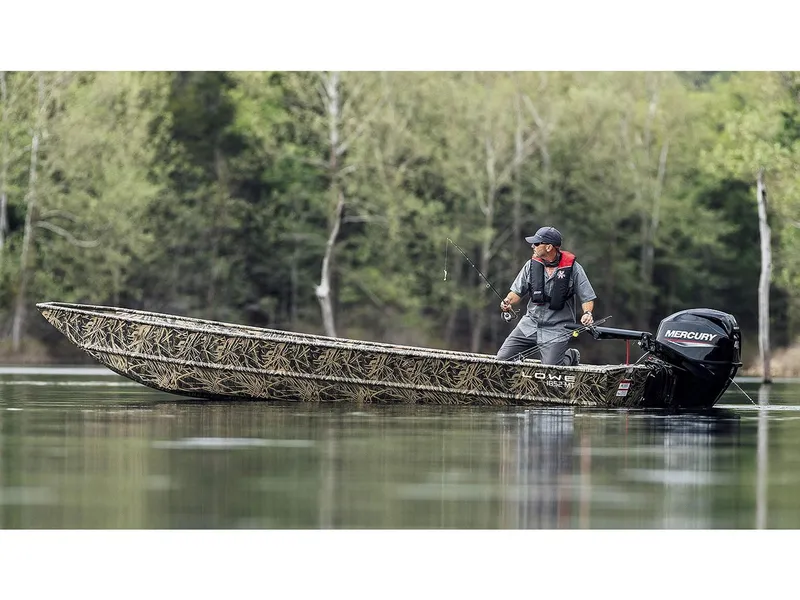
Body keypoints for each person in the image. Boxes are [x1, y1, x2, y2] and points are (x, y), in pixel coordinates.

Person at [497, 226, 596, 365]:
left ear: (549, 247)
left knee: (551, 369)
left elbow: (587, 297)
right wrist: (508, 301)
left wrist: (587, 313)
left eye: (537, 243)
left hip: (557, 327)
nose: (533, 246)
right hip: (530, 323)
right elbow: (516, 292)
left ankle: (570, 356)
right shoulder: (530, 266)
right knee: (502, 359)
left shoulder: (573, 268)